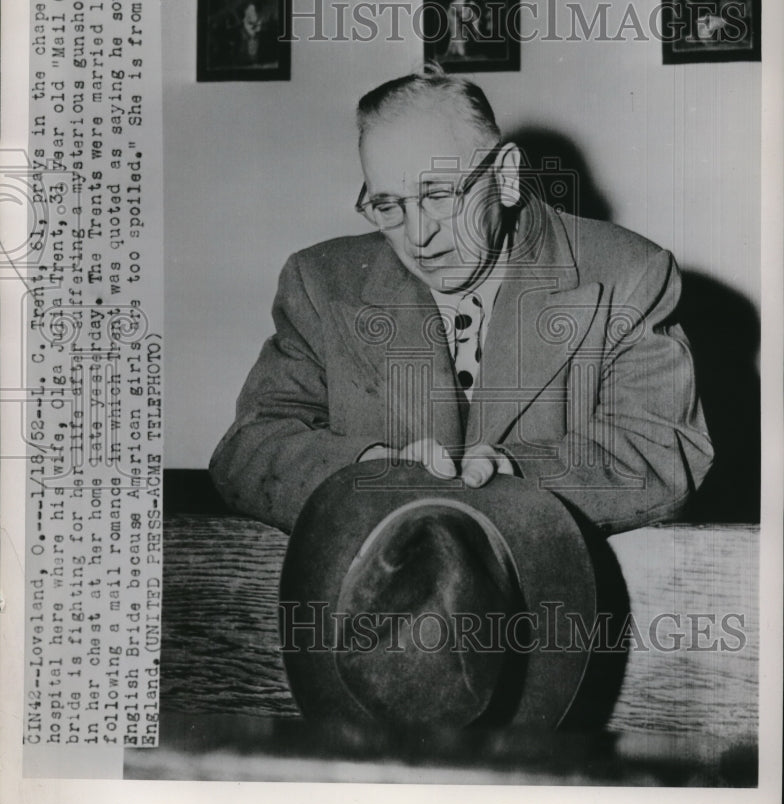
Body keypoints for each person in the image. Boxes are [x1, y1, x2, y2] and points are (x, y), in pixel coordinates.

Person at [210, 67, 713, 535]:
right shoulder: (321, 282)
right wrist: (367, 470)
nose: (418, 235)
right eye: (389, 204)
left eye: (439, 194)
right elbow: (249, 448)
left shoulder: (627, 273)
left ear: (507, 176)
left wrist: (513, 475)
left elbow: (663, 450)